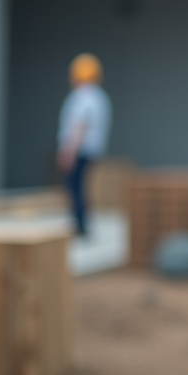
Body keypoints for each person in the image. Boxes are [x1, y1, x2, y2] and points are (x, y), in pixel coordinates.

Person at [57, 53, 112, 237]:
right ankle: (82, 224)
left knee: (75, 188)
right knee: (81, 187)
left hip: (79, 150)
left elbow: (80, 125)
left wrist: (69, 151)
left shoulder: (82, 96)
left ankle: (79, 227)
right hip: (90, 150)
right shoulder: (99, 96)